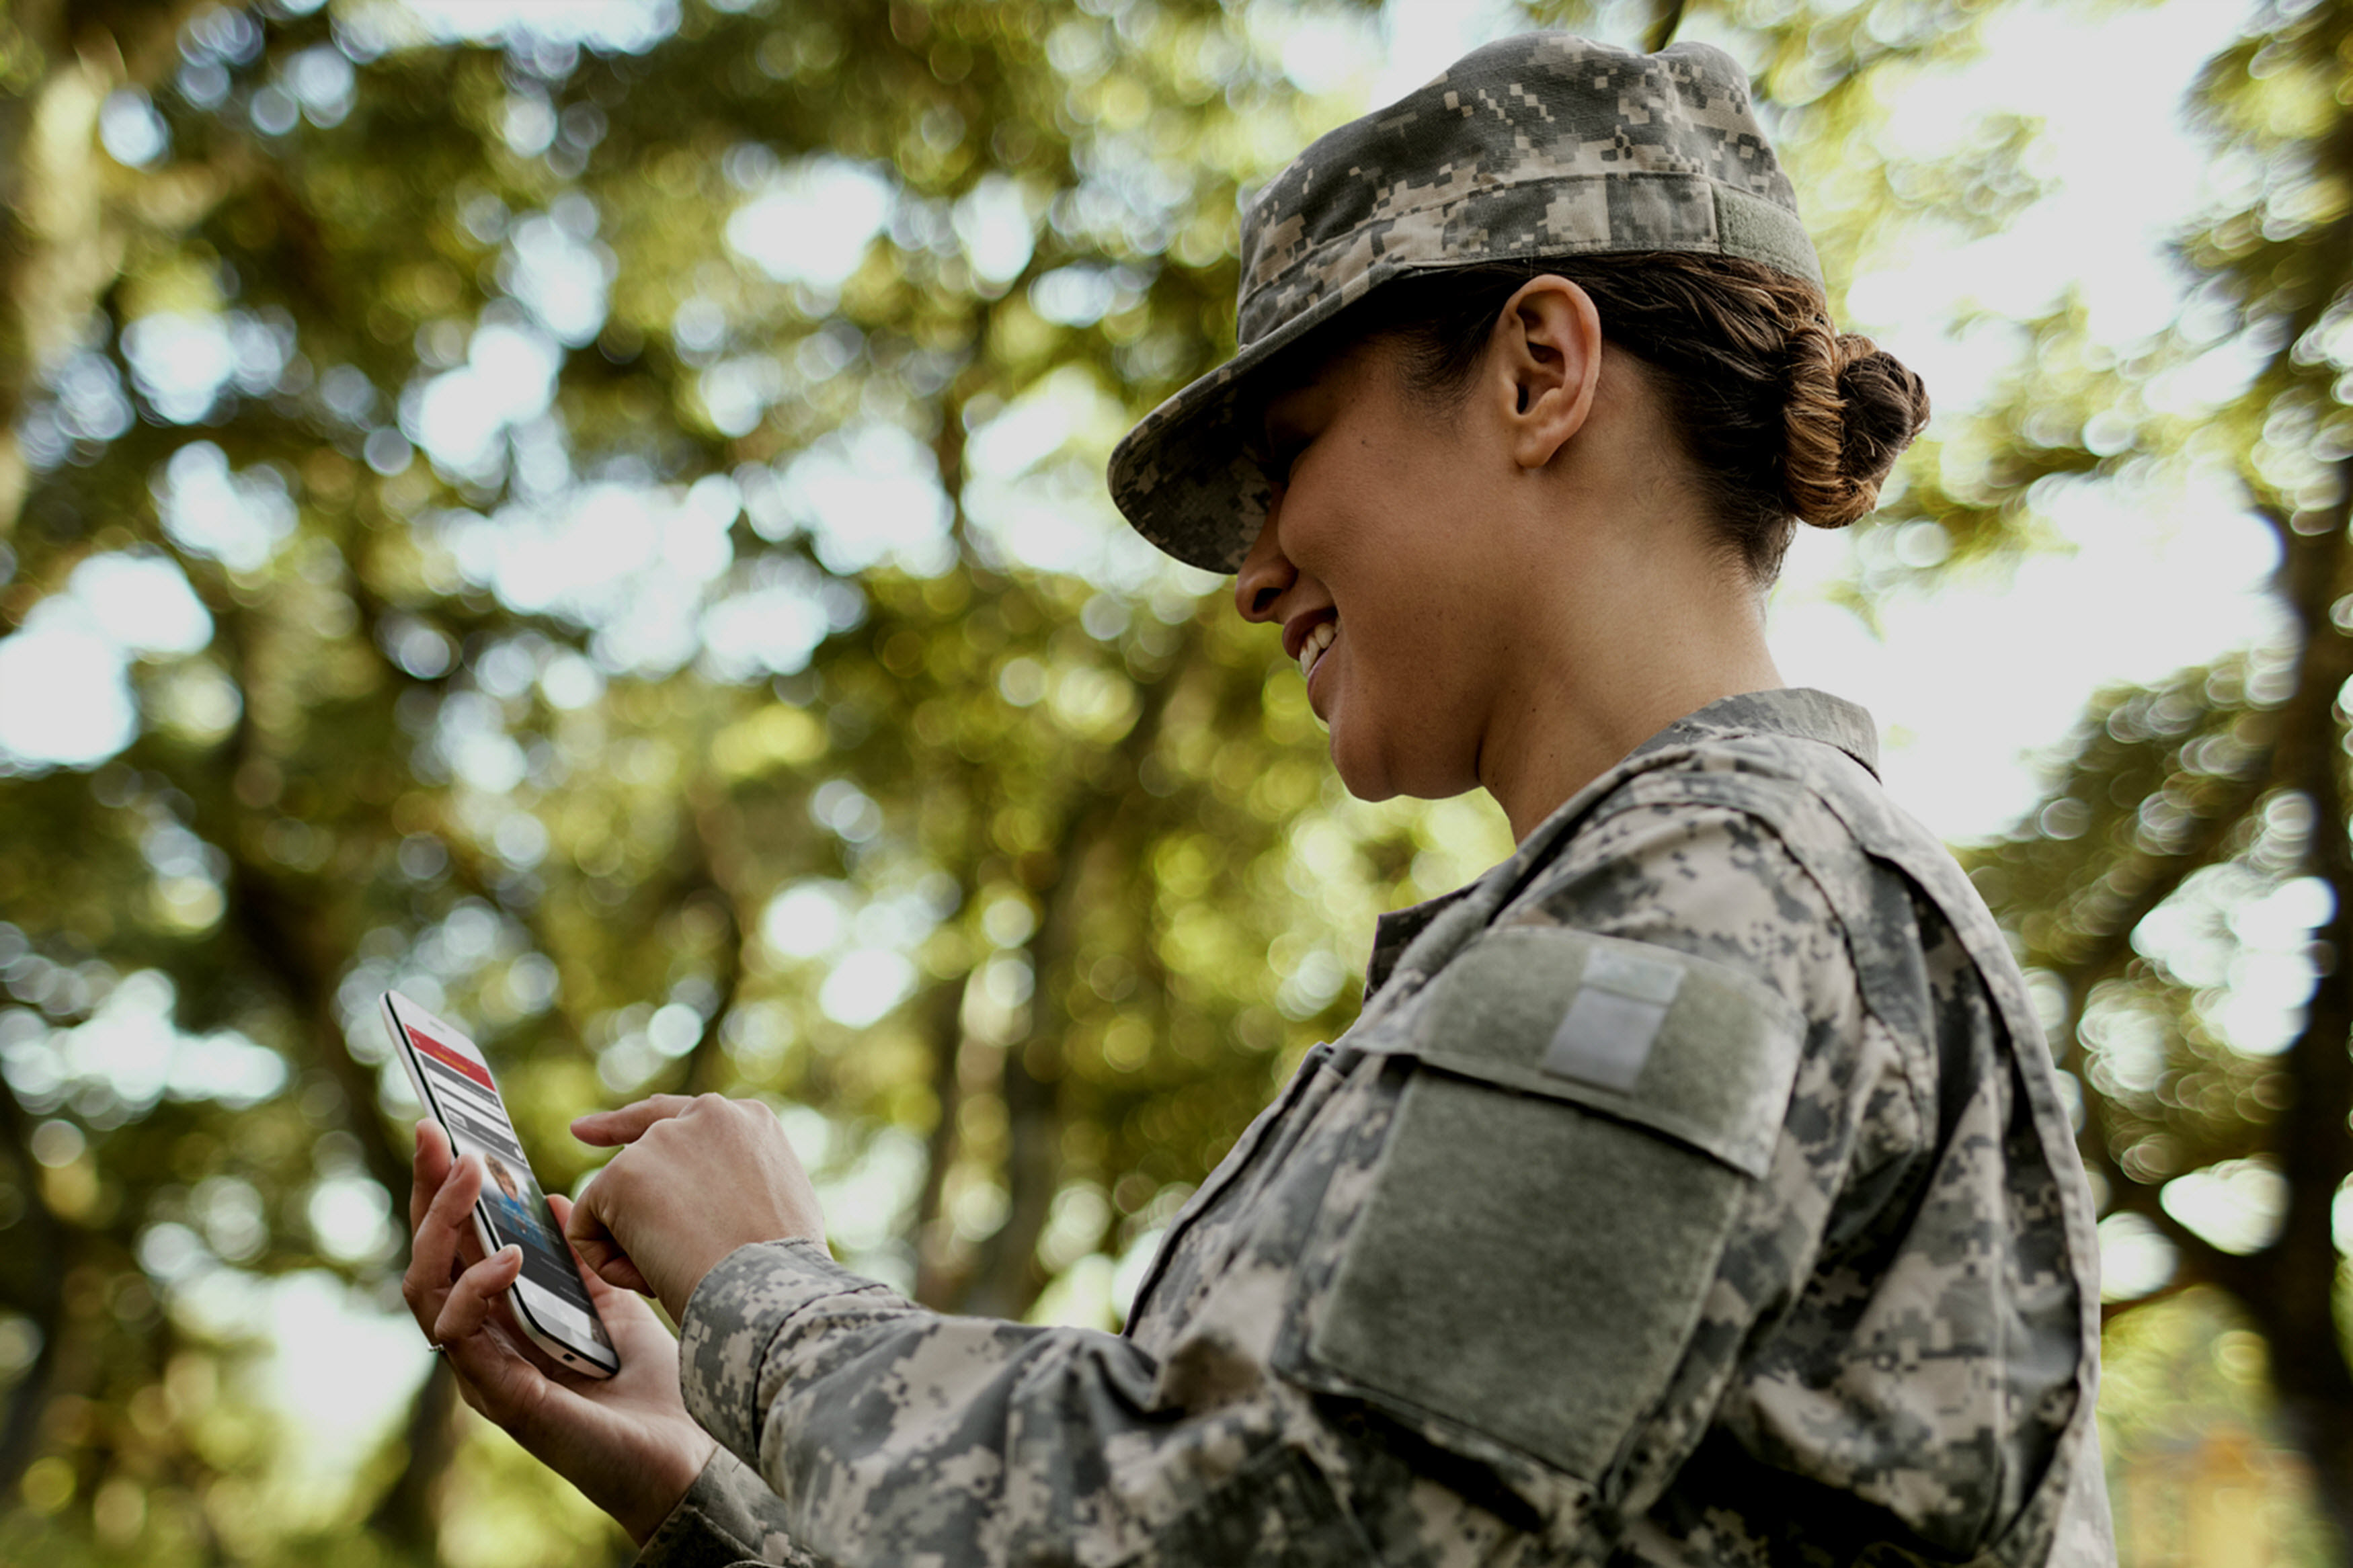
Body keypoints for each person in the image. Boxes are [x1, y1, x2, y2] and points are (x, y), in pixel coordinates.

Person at [401, 31, 2114, 1567]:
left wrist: (768, 1304)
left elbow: (1251, 1526)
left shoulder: (1720, 885)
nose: (1253, 574)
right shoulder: (1705, 886)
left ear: (1539, 372)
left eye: (1287, 450)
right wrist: (696, 1476)